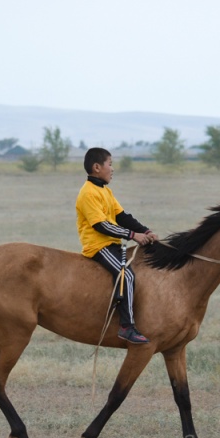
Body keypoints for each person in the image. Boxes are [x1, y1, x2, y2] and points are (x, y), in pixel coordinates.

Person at [76, 147, 158, 344]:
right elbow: (101, 225)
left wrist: (146, 231)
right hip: (98, 246)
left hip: (112, 244)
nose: (112, 169)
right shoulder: (88, 193)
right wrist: (133, 235)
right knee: (126, 274)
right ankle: (126, 327)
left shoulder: (105, 191)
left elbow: (122, 217)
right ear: (97, 167)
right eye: (110, 164)